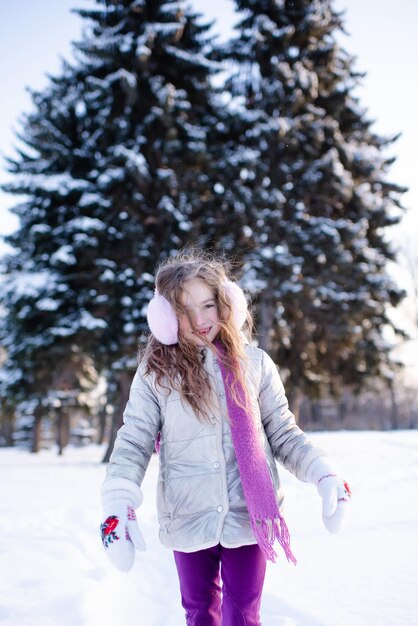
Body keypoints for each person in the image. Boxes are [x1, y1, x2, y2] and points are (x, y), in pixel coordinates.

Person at [100, 250, 351, 626]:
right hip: (187, 514)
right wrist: (118, 500)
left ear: (225, 304)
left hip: (249, 516)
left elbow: (282, 432)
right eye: (184, 311)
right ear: (165, 318)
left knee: (243, 616)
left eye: (208, 305)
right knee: (200, 614)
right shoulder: (156, 375)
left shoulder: (255, 364)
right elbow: (134, 440)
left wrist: (323, 472)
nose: (200, 320)